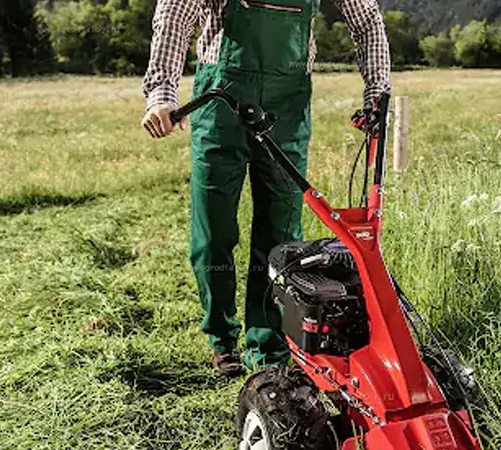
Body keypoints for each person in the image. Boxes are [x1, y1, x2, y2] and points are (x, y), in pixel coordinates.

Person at [142, 0, 391, 376]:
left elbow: (367, 20)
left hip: (287, 108)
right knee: (213, 234)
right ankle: (222, 338)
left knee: (280, 235)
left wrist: (377, 93)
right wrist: (162, 95)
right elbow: (175, 15)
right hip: (220, 102)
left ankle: (269, 347)